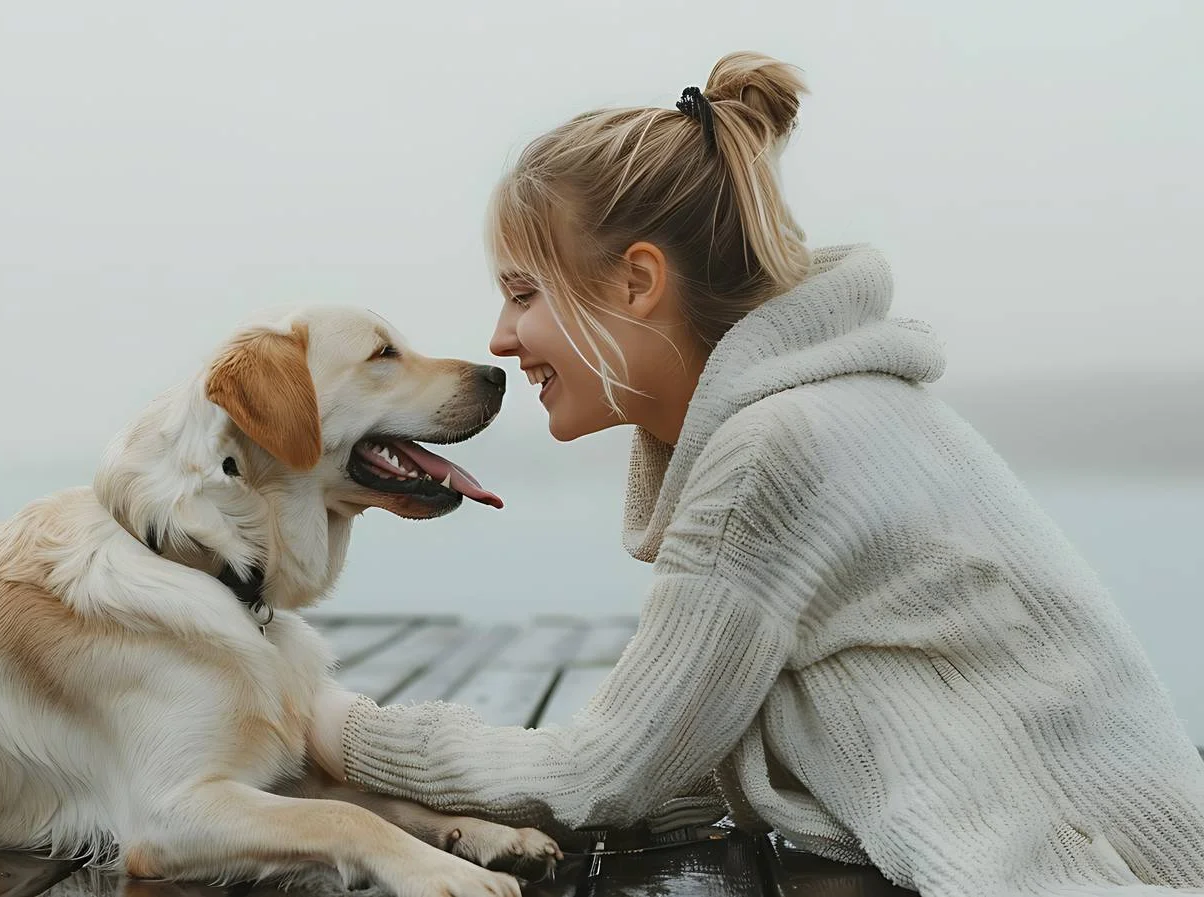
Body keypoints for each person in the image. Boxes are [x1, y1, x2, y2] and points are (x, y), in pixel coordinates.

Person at [308, 52, 1204, 896]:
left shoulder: (774, 448)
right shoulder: (842, 408)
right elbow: (692, 754)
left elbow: (602, 772)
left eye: (523, 294)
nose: (501, 339)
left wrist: (332, 724)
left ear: (637, 282)